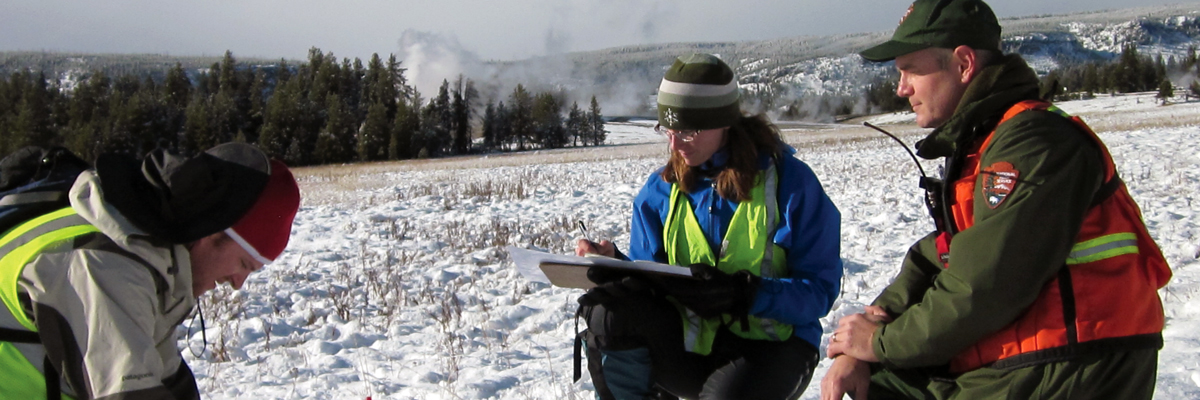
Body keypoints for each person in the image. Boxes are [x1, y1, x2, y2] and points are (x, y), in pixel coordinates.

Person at [821, 0, 1171, 399]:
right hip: (1041, 355)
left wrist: (877, 343)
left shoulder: (1033, 145)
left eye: (910, 70)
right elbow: (944, 253)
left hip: (1075, 362)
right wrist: (870, 329)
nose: (901, 89)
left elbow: (984, 287)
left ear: (964, 64)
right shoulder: (987, 139)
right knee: (880, 382)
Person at [576, 53, 842, 400]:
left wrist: (748, 294)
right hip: (692, 345)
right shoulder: (659, 192)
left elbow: (820, 290)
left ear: (723, 121)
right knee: (608, 313)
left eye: (687, 130)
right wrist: (616, 265)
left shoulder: (790, 183)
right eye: (667, 130)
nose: (674, 144)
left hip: (774, 347)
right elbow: (649, 280)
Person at [0, 143, 300, 399]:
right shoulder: (106, 268)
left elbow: (166, 378)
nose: (237, 283)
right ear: (211, 231)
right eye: (244, 264)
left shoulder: (148, 256)